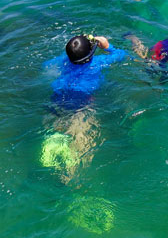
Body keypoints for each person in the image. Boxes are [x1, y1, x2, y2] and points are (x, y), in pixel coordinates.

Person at [41, 33, 126, 183]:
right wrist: (107, 46)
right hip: (82, 103)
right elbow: (121, 55)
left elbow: (46, 65)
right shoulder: (98, 62)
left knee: (56, 128)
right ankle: (69, 178)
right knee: (82, 140)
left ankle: (52, 144)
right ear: (91, 55)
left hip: (58, 98)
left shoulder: (63, 61)